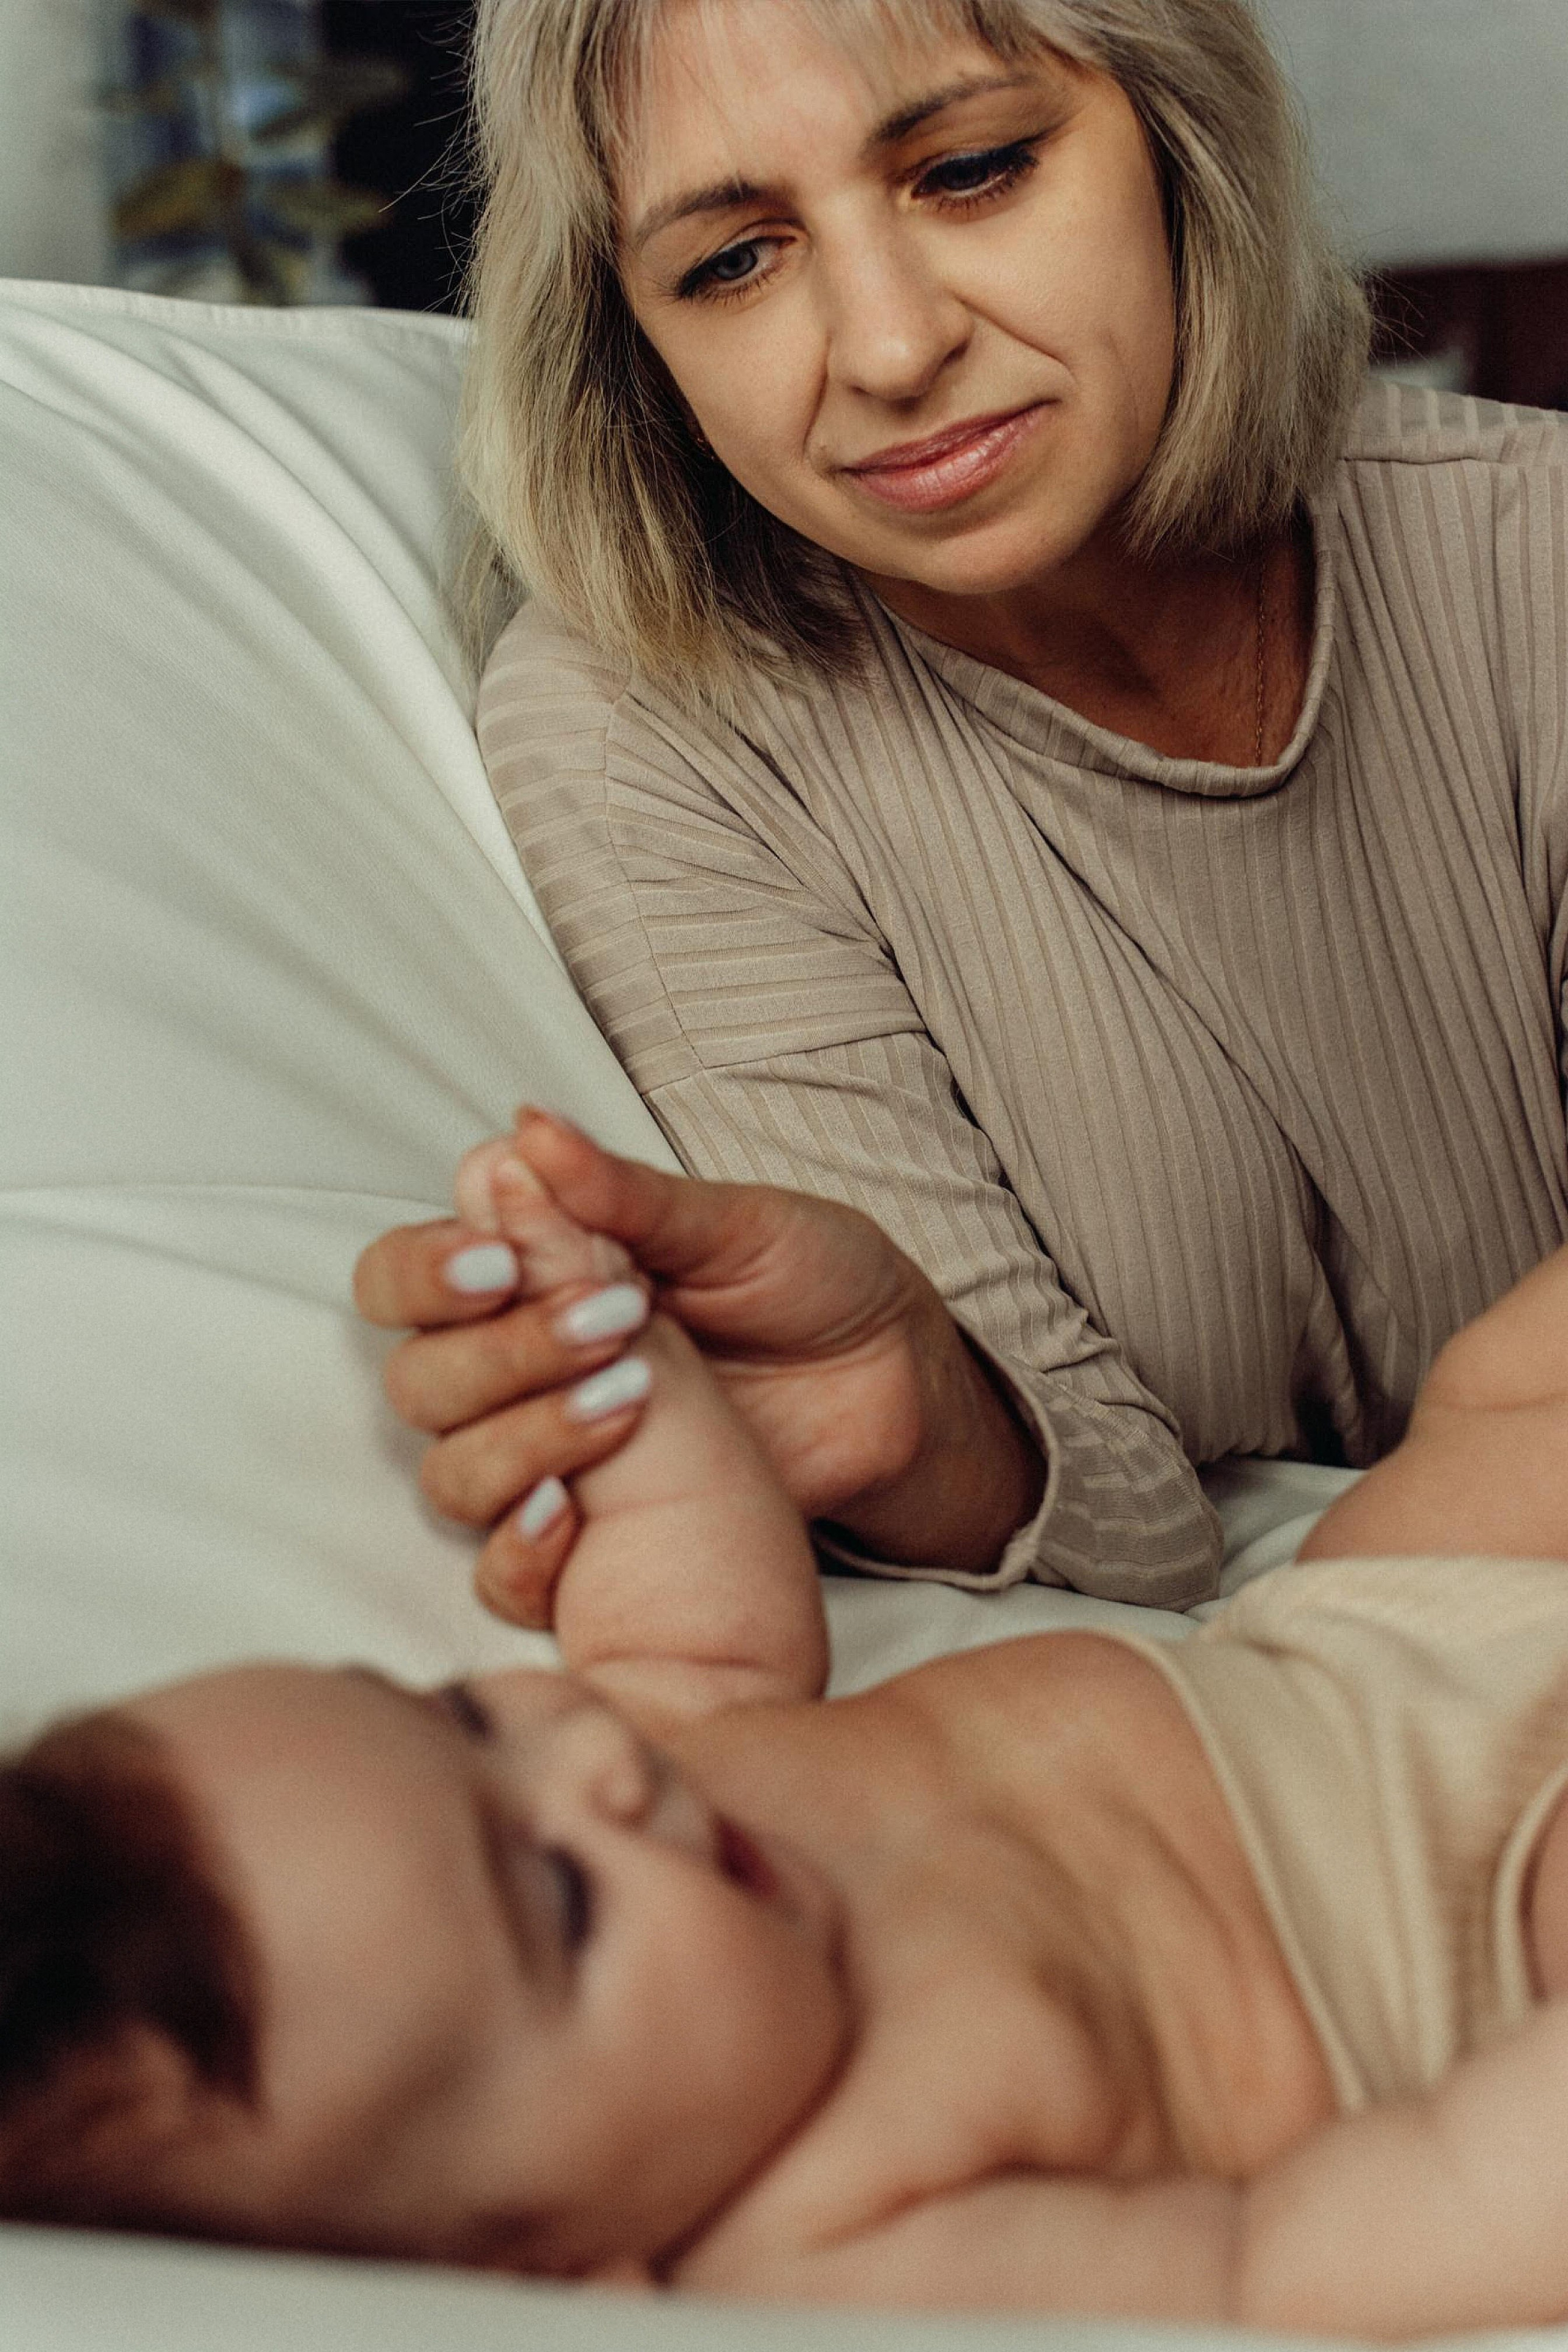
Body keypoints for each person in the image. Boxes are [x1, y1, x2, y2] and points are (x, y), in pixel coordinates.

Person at [8, 1120, 1568, 2335]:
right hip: (1479, 1919)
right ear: (556, 2275)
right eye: (553, 1899)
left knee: (1504, 1385)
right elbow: (1271, 2268)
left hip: (1347, 1634)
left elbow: (690, 1608)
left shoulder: (666, 1777)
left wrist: (607, 1354)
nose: (592, 1762)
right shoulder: (839, 2237)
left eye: (464, 1715)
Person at [432, 0, 1568, 1608]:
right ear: (634, 336)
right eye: (733, 261)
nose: (892, 349)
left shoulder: (1537, 555)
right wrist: (921, 1406)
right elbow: (1127, 1537)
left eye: (969, 170)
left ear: (1181, 141)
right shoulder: (650, 736)